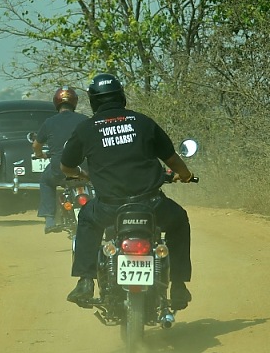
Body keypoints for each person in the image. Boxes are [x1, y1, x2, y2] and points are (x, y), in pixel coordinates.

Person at [59, 73, 195, 309]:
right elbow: (171, 158)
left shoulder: (86, 129)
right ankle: (179, 285)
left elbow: (66, 166)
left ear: (93, 100)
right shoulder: (143, 122)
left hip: (109, 208)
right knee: (179, 219)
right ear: (121, 96)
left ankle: (85, 281)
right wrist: (185, 175)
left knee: (86, 220)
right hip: (151, 205)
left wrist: (81, 174)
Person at [32, 86, 88, 234]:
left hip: (59, 169)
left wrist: (39, 155)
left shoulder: (49, 122)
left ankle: (50, 219)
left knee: (45, 181)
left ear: (56, 103)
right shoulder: (85, 120)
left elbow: (36, 145)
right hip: (84, 168)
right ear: (74, 102)